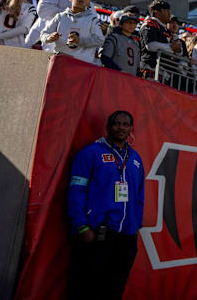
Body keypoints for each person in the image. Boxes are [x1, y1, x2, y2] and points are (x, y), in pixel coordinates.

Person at [67, 111, 144, 300]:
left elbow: (140, 195)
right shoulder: (90, 153)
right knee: (87, 288)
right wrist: (81, 226)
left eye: (126, 124)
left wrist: (135, 226)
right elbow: (76, 191)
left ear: (131, 129)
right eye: (116, 123)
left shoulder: (135, 158)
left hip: (126, 236)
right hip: (98, 233)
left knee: (115, 288)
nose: (121, 127)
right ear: (108, 127)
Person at [40, 0, 104, 63]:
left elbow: (99, 40)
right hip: (60, 62)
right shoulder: (60, 16)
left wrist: (79, 41)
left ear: (88, 3)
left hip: (81, 65)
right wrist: (49, 37)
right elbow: (43, 34)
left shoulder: (92, 19)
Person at [139, 0, 181, 79]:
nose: (169, 13)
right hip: (150, 68)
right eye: (166, 10)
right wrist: (171, 47)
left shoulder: (164, 28)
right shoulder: (150, 23)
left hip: (163, 72)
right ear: (156, 11)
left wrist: (178, 48)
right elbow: (150, 45)